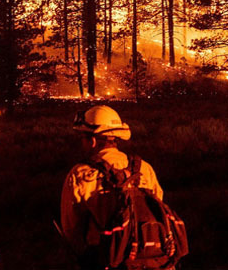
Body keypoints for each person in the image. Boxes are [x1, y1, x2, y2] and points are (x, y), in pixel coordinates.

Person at [60, 104, 166, 268]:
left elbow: (71, 228)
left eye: (82, 137)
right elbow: (158, 206)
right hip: (150, 258)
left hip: (104, 258)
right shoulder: (144, 168)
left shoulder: (80, 174)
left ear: (93, 141)